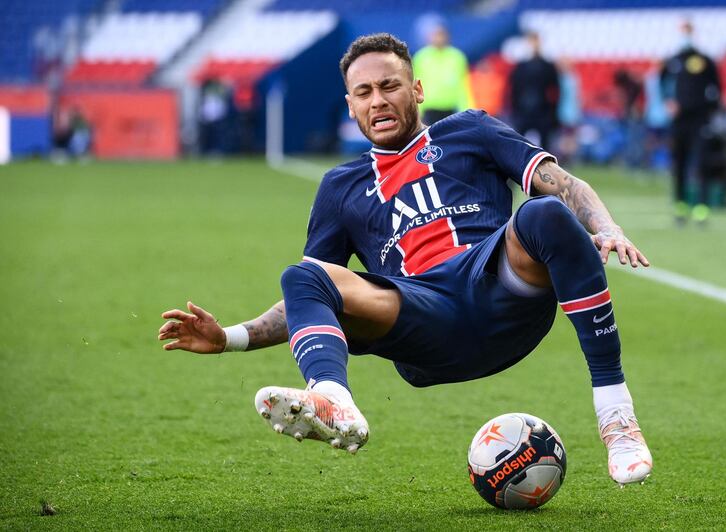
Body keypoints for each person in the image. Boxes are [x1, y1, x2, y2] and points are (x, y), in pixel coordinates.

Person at [158, 33, 653, 486]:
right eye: (364, 92)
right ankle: (334, 399)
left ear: (415, 90)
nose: (378, 100)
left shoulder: (471, 131)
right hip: (423, 317)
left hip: (502, 287)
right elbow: (310, 299)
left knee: (545, 212)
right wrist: (231, 338)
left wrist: (605, 228)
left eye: (389, 86)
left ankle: (616, 416)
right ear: (350, 107)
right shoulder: (340, 187)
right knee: (303, 274)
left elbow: (562, 182)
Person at [661, 20, 721, 225]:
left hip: (699, 120)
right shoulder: (673, 60)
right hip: (679, 122)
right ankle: (681, 206)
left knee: (702, 163)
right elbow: (662, 83)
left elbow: (716, 89)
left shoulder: (704, 60)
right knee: (679, 164)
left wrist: (708, 110)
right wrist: (667, 102)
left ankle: (701, 207)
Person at [509, 31, 560, 153]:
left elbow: (555, 90)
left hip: (543, 111)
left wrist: (553, 112)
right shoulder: (521, 66)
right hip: (524, 111)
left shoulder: (547, 66)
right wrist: (515, 109)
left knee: (545, 146)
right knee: (519, 145)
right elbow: (515, 89)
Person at [412, 24, 473, 125]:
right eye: (435, 35)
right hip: (429, 108)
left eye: (441, 35)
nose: (438, 38)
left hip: (451, 108)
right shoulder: (421, 58)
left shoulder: (457, 57)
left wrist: (466, 108)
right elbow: (415, 85)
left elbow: (464, 85)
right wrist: (417, 109)